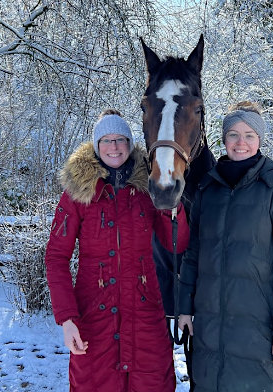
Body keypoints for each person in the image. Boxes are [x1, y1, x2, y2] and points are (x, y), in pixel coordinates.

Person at [45, 109, 189, 392]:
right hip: (94, 319)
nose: (114, 147)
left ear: (130, 143)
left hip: (146, 315)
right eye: (107, 140)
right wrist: (67, 319)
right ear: (97, 145)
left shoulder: (149, 185)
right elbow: (56, 257)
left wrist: (172, 205)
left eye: (121, 139)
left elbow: (176, 244)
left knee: (153, 384)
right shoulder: (78, 191)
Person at [178, 101, 273, 391]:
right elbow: (193, 255)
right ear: (223, 139)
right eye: (233, 135)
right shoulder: (207, 190)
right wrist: (184, 307)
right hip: (210, 335)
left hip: (260, 336)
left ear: (259, 140)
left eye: (249, 135)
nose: (241, 143)